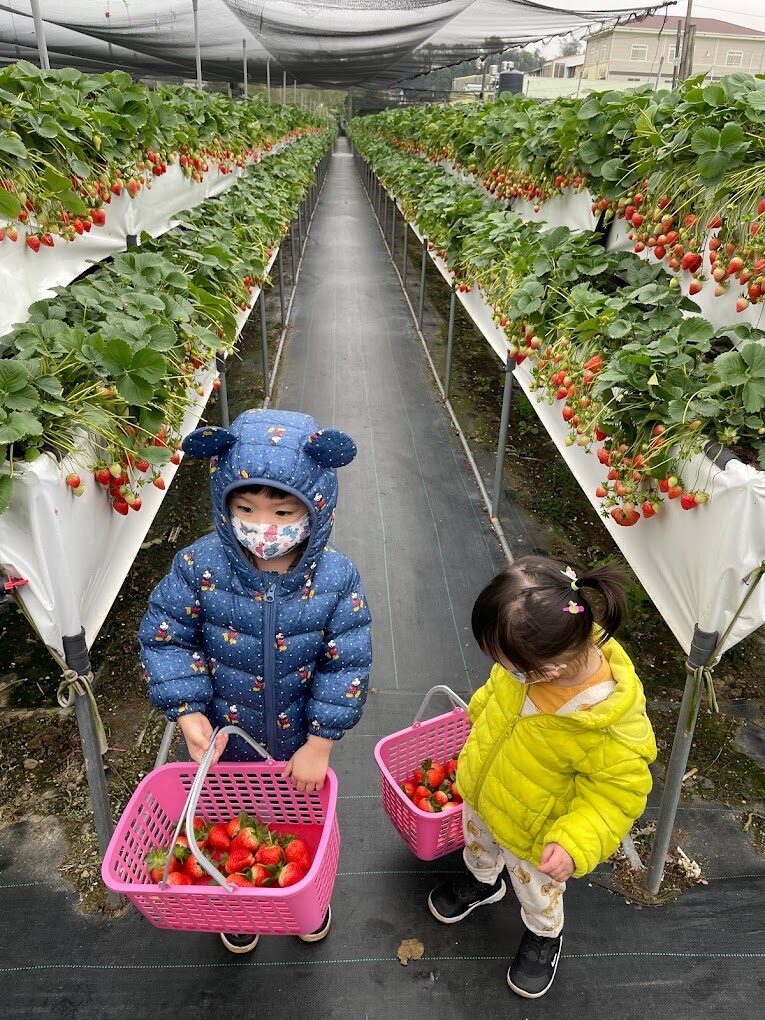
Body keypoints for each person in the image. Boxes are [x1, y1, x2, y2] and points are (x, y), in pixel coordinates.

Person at [138, 409, 372, 953]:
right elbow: (166, 637)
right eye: (244, 507)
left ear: (315, 508)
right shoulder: (199, 566)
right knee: (229, 818)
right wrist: (191, 713)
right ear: (224, 504)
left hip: (298, 746)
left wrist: (320, 742)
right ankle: (238, 895)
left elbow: (347, 663)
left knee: (295, 821)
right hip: (223, 737)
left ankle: (299, 896)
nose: (262, 525)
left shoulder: (336, 578)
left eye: (281, 509)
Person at [428, 556, 656, 999]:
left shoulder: (604, 722)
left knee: (537, 890)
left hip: (536, 830)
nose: (500, 668)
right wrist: (477, 719)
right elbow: (496, 692)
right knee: (477, 842)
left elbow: (616, 796)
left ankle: (544, 935)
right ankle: (481, 882)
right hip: (483, 791)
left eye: (504, 662)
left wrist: (574, 843)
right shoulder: (527, 660)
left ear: (547, 669)